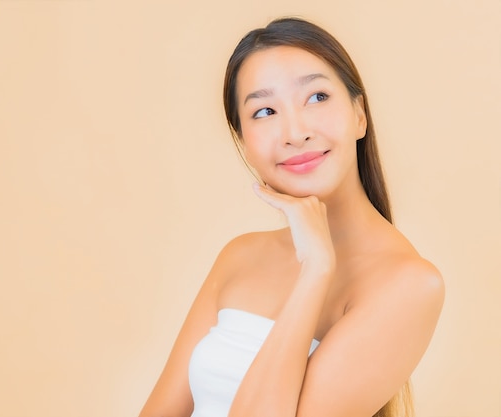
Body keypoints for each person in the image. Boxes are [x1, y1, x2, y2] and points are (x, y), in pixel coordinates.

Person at [139, 17, 444, 417]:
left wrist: (316, 269)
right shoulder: (240, 256)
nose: (294, 132)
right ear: (243, 141)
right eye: (265, 111)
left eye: (317, 97)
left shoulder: (409, 285)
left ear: (359, 115)